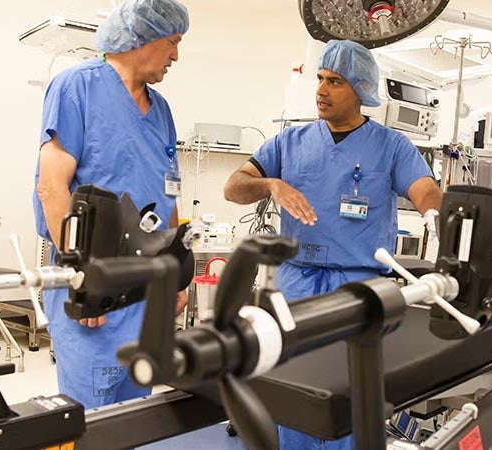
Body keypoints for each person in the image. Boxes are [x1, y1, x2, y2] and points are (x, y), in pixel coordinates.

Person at [223, 39, 443, 450]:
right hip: (295, 284)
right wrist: (271, 183)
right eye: (320, 79)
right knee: (294, 391)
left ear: (360, 90)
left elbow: (425, 190)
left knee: (351, 394)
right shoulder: (289, 142)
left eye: (335, 81)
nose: (322, 90)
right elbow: (234, 187)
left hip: (357, 288)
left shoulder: (391, 146)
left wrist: (439, 219)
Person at [33, 0, 190, 409]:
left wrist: (172, 268)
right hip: (92, 276)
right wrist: (83, 282)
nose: (176, 55)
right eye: (172, 42)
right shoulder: (76, 87)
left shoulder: (162, 111)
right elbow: (52, 187)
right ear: (142, 37)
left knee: (133, 408)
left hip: (144, 281)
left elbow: (167, 190)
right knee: (89, 415)